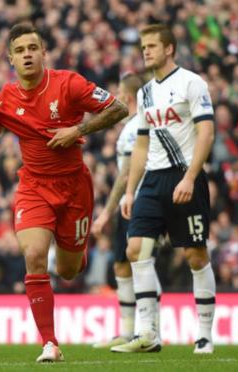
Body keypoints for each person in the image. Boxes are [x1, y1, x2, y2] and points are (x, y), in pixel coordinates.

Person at [0, 23, 128, 362]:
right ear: (10, 59)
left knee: (69, 271)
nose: (27, 54)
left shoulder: (68, 83)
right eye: (20, 50)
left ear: (43, 52)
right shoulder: (7, 95)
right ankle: (50, 343)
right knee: (34, 256)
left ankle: (76, 248)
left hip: (74, 187)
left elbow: (118, 108)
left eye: (32, 48)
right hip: (33, 187)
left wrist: (79, 129)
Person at [115, 24, 216, 354]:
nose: (146, 51)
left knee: (195, 254)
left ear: (169, 49)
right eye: (143, 46)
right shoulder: (144, 93)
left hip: (186, 175)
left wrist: (190, 177)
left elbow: (206, 134)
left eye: (152, 46)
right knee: (135, 250)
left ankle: (203, 334)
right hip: (153, 180)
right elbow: (141, 145)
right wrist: (131, 190)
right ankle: (148, 333)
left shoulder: (192, 82)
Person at [91, 73, 163, 349]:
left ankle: (150, 330)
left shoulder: (135, 128)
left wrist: (106, 213)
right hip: (133, 202)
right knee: (123, 264)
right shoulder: (133, 126)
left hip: (138, 202)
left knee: (140, 262)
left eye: (120, 93)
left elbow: (126, 174)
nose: (117, 98)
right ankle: (129, 330)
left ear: (128, 97)